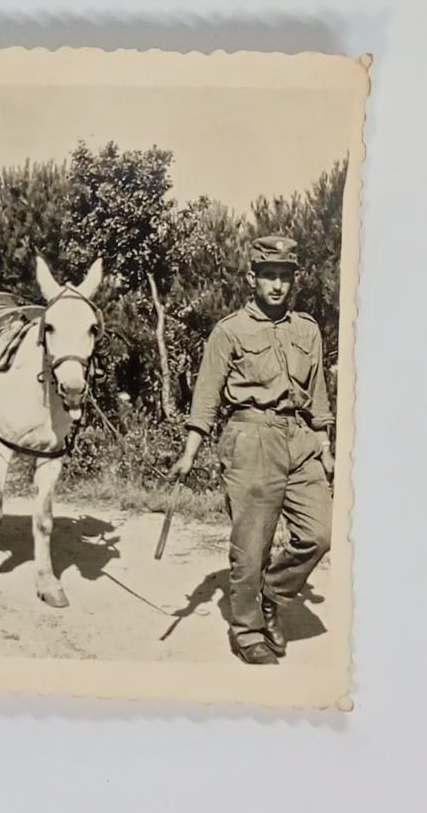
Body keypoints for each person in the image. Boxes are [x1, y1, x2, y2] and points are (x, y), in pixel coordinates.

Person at [168, 236, 335, 665]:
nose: (278, 286)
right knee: (252, 545)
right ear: (252, 279)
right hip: (250, 436)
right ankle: (247, 630)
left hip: (300, 439)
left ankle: (271, 597)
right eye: (269, 277)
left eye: (285, 277)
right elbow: (205, 397)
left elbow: (317, 393)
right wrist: (189, 452)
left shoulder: (307, 329)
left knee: (318, 534)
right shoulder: (229, 331)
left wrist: (324, 441)